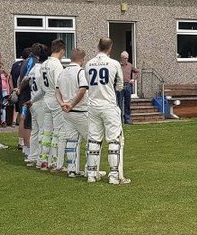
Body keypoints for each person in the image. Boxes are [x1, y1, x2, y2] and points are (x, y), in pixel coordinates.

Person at [85, 36, 130, 184]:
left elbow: (86, 84)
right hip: (109, 104)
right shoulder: (114, 63)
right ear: (110, 48)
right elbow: (120, 85)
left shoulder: (89, 64)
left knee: (94, 139)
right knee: (114, 140)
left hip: (92, 105)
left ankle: (91, 174)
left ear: (98, 46)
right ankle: (114, 176)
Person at [54, 48, 90, 177]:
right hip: (80, 111)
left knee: (71, 140)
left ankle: (72, 169)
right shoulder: (80, 72)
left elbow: (57, 91)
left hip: (66, 112)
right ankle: (89, 170)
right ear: (81, 59)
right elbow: (82, 90)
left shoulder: (62, 73)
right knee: (91, 139)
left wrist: (62, 103)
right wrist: (72, 104)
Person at [37, 39, 66, 169]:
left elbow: (41, 85)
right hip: (55, 99)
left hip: (46, 99)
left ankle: (43, 160)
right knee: (57, 131)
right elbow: (59, 85)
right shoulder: (57, 65)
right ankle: (54, 161)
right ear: (62, 50)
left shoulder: (44, 64)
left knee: (46, 131)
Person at [118, 51, 140, 125]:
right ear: (121, 58)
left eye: (127, 58)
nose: (126, 59)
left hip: (128, 85)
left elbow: (137, 72)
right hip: (120, 85)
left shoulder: (130, 65)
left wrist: (133, 79)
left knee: (127, 103)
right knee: (119, 103)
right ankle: (119, 120)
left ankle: (127, 119)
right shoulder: (117, 65)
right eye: (125, 58)